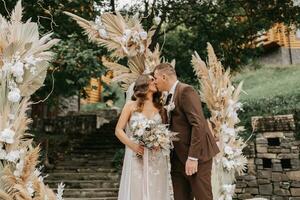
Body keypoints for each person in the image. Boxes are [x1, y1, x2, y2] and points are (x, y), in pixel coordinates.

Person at [153, 63, 220, 200]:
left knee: (203, 196)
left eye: (156, 78)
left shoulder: (185, 91)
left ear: (164, 77)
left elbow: (198, 124)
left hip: (196, 156)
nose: (155, 81)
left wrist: (192, 158)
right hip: (177, 157)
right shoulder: (168, 96)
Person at [115, 74, 172, 200]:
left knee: (156, 189)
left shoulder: (160, 108)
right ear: (143, 83)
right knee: (136, 188)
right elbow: (118, 130)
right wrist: (133, 146)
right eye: (152, 79)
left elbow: (164, 130)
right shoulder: (130, 106)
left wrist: (159, 142)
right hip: (136, 155)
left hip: (155, 156)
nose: (154, 82)